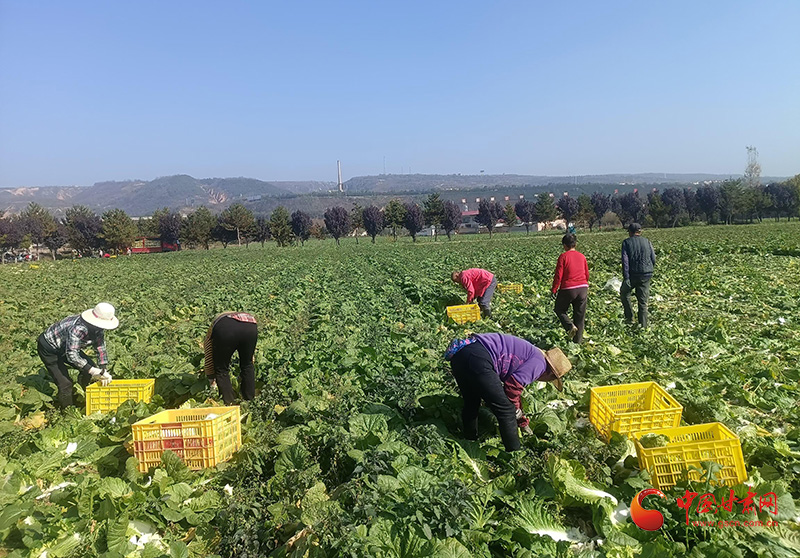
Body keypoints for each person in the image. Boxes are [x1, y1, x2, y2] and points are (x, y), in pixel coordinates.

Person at [445, 333, 572, 452]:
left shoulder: (532, 353)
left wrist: (522, 420)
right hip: (479, 358)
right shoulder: (540, 363)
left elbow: (512, 391)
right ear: (550, 374)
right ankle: (515, 456)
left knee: (472, 401)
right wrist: (515, 412)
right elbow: (512, 386)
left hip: (461, 355)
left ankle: (469, 441)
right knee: (506, 411)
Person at [37, 303, 118, 408]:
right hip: (49, 347)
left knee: (89, 366)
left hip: (67, 345)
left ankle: (82, 393)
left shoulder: (98, 329)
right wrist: (92, 370)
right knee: (65, 384)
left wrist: (103, 369)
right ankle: (68, 413)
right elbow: (72, 354)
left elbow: (100, 347)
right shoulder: (79, 328)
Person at [204, 312, 258, 404]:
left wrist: (211, 378)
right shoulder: (240, 317)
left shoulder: (215, 326)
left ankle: (229, 403)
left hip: (226, 330)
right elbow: (250, 359)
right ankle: (250, 403)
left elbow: (209, 353)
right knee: (247, 365)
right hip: (251, 326)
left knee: (221, 369)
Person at [551, 233, 589, 342]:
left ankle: (569, 326)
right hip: (582, 288)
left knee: (559, 309)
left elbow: (559, 275)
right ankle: (578, 342)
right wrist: (584, 284)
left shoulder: (563, 257)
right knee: (580, 316)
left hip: (568, 288)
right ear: (575, 244)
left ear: (564, 245)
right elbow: (587, 274)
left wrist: (554, 289)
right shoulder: (582, 256)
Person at [620, 223, 656, 328]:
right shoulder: (647, 241)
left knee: (624, 293)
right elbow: (653, 258)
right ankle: (643, 326)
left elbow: (625, 261)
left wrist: (626, 277)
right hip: (646, 274)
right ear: (640, 232)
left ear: (630, 232)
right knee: (643, 302)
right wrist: (649, 269)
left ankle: (629, 317)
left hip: (633, 274)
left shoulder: (626, 242)